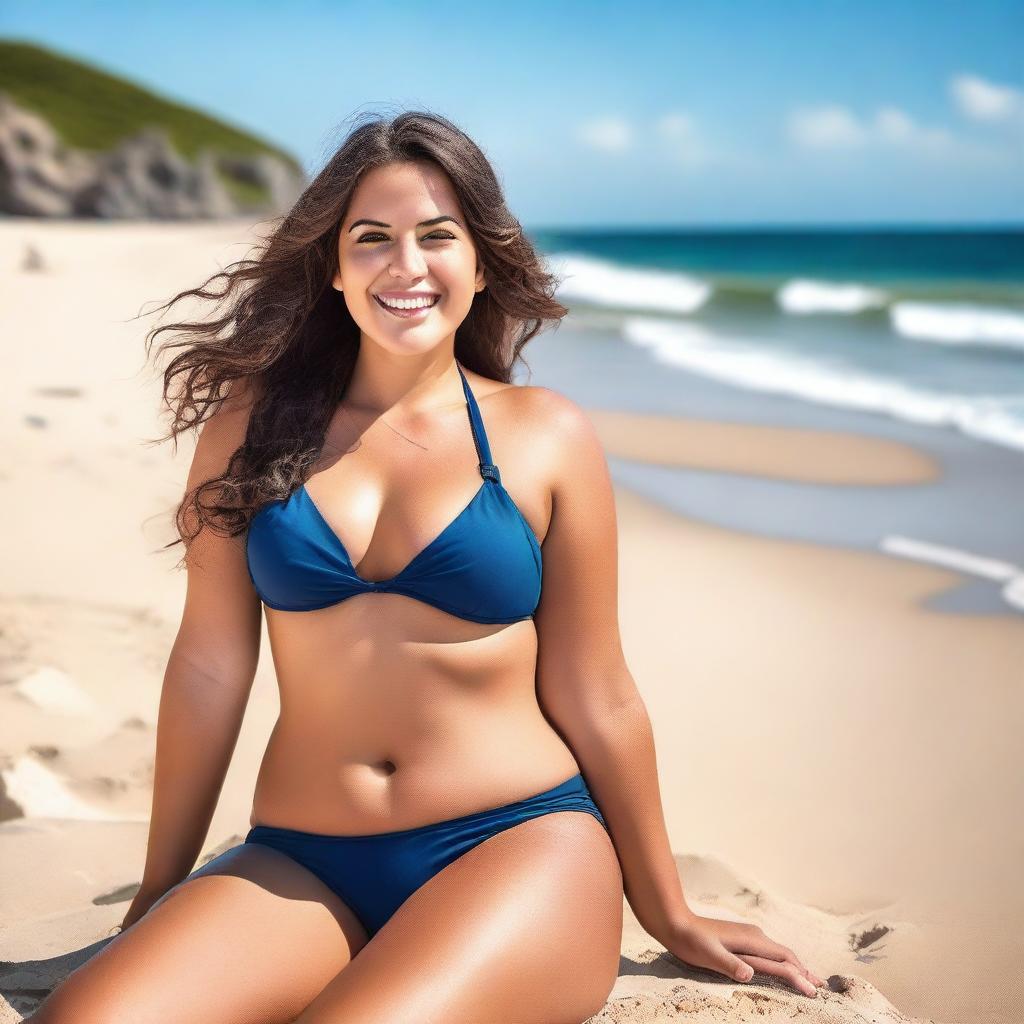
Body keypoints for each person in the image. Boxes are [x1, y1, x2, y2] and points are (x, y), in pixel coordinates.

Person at [29, 110, 825, 1023]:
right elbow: (210, 665)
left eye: (437, 236)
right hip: (300, 859)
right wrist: (160, 890)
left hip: (519, 845)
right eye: (372, 239)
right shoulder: (249, 430)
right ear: (333, 267)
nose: (406, 266)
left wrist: (665, 907)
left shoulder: (544, 435)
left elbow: (595, 687)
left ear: (481, 262)